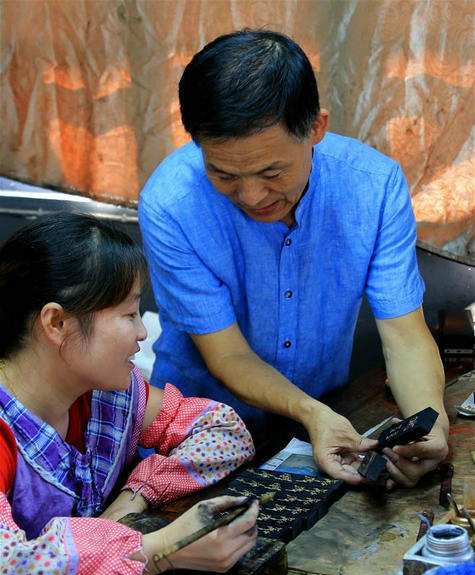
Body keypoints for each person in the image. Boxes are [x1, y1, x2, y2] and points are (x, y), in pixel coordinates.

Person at [138, 29, 449, 489]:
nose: (251, 195)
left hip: (318, 430)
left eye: (271, 171)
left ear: (316, 128)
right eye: (223, 173)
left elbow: (404, 337)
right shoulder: (171, 204)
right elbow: (228, 355)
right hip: (195, 445)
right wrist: (313, 414)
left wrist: (433, 424)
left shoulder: (374, 188)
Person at [0, 214, 257, 575]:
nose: (141, 333)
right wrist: (163, 550)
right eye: (128, 314)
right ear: (57, 322)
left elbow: (222, 430)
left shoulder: (107, 396)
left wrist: (132, 498)